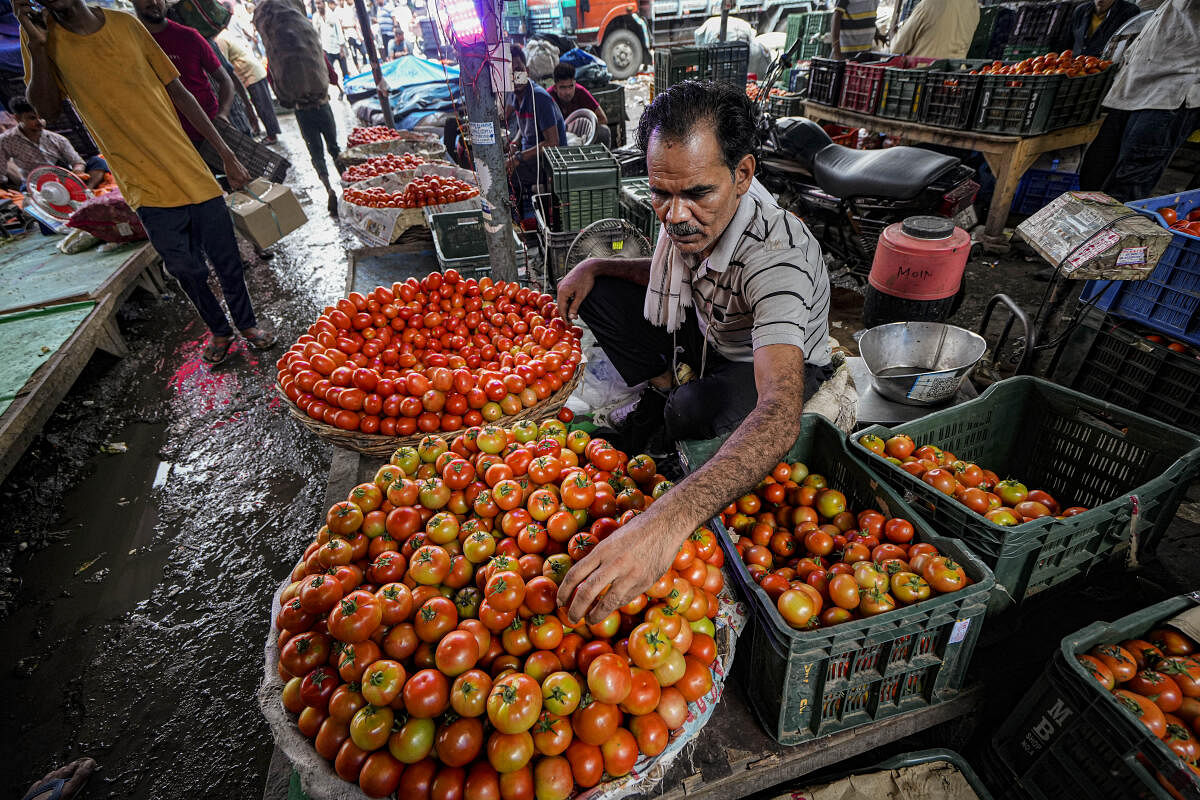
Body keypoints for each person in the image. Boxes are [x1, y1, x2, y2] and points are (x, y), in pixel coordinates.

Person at [553, 80, 832, 624]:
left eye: (697, 193)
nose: (675, 215)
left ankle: (674, 403)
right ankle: (665, 391)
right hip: (710, 329)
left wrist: (666, 522)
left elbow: (780, 411)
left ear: (743, 175)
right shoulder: (690, 227)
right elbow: (655, 273)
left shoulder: (778, 261)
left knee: (691, 409)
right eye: (660, 193)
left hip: (764, 358)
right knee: (602, 296)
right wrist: (595, 265)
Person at [16, 0, 276, 364]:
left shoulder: (126, 26)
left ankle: (246, 324)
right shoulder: (42, 43)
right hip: (142, 183)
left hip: (189, 168)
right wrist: (39, 47)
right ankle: (219, 329)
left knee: (228, 259)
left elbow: (179, 92)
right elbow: (46, 110)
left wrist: (227, 155)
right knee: (187, 270)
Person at [1080, 0, 1199, 201]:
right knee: (1095, 170)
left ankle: (1115, 231)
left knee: (1128, 181)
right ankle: (1085, 228)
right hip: (1134, 86)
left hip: (1171, 92)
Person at [254, 0, 341, 210]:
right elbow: (331, 75)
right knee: (334, 148)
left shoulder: (276, 56)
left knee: (316, 153)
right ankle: (347, 183)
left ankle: (329, 187)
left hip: (303, 112)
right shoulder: (313, 48)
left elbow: (275, 83)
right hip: (323, 106)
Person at [131, 0, 235, 143]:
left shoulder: (189, 36)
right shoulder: (131, 46)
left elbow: (225, 79)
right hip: (172, 141)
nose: (154, 2)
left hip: (212, 132)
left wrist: (222, 113)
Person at [1, 95, 110, 188]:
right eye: (32, 118)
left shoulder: (57, 139)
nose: (40, 122)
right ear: (18, 118)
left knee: (98, 161)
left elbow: (77, 161)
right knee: (26, 197)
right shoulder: (6, 140)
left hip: (65, 179)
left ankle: (87, 190)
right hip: (37, 184)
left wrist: (78, 171)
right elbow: (1, 169)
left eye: (41, 117)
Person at [507, 44, 565, 212]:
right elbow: (523, 127)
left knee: (506, 175)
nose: (515, 76)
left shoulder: (539, 98)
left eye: (518, 70)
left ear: (527, 71)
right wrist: (515, 143)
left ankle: (520, 220)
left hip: (547, 164)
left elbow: (553, 142)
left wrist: (518, 157)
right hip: (528, 155)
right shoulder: (514, 95)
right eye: (510, 72)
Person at [216, 27, 281, 143]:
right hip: (253, 72)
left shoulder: (220, 40)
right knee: (263, 105)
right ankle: (269, 132)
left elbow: (223, 63)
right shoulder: (226, 34)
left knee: (262, 106)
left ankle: (272, 135)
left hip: (251, 74)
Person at [549, 61, 611, 146]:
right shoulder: (548, 98)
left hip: (581, 137)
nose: (568, 92)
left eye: (571, 86)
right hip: (558, 139)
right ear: (555, 87)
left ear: (575, 83)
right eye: (563, 87)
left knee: (604, 131)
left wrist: (584, 133)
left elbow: (603, 119)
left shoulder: (581, 92)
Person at [889, 0, 979, 59]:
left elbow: (898, 47)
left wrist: (893, 34)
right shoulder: (974, 6)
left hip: (923, 75)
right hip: (955, 74)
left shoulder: (930, 3)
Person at [1059, 0, 1140, 57]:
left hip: (1103, 67)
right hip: (1075, 66)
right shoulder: (1080, 10)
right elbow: (1068, 42)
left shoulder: (1129, 12)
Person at [313, 0, 349, 83]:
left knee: (345, 72)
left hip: (338, 47)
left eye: (319, 3)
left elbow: (339, 30)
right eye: (316, 4)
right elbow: (316, 34)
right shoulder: (316, 17)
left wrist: (341, 46)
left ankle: (348, 89)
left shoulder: (332, 14)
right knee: (330, 73)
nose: (318, 6)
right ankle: (340, 90)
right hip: (326, 48)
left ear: (323, 3)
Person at [339, 0, 365, 68]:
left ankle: (365, 65)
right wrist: (350, 26)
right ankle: (358, 68)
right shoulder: (339, 12)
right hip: (349, 36)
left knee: (363, 51)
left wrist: (359, 35)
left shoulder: (350, 10)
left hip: (355, 35)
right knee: (354, 54)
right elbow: (341, 26)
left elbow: (355, 24)